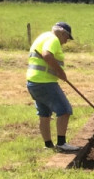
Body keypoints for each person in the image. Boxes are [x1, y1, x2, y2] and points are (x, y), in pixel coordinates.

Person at [26, 21, 81, 152]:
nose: (66, 42)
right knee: (65, 110)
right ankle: (61, 143)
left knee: (44, 114)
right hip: (45, 83)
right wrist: (59, 71)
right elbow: (46, 54)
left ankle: (48, 145)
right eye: (67, 38)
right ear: (62, 33)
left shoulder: (43, 37)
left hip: (33, 82)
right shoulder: (53, 39)